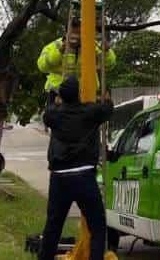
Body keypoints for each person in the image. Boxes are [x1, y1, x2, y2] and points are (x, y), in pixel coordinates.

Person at [38, 75, 114, 260]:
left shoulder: (54, 115)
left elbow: (47, 112)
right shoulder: (90, 112)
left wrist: (52, 98)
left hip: (59, 179)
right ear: (79, 94)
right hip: (84, 177)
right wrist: (105, 96)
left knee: (53, 228)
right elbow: (108, 108)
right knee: (97, 226)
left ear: (61, 97)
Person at [38, 20, 116, 104]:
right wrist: (59, 51)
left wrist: (107, 52)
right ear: (66, 33)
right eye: (73, 33)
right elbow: (42, 67)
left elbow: (109, 66)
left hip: (86, 95)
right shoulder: (54, 46)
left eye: (79, 33)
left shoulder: (93, 46)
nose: (76, 37)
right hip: (58, 95)